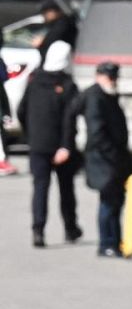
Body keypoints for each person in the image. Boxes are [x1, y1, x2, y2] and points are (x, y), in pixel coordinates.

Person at [17, 42, 81, 247]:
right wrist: (66, 146)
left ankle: (38, 230)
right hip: (60, 146)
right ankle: (70, 228)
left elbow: (21, 110)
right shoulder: (68, 85)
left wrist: (31, 136)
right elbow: (69, 120)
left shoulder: (34, 81)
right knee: (66, 190)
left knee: (40, 188)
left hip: (38, 145)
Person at [77, 61, 131, 257]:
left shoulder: (107, 95)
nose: (114, 81)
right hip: (104, 160)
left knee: (115, 202)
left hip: (112, 159)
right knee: (108, 203)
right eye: (111, 77)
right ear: (99, 76)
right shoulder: (96, 97)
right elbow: (97, 132)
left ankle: (114, 241)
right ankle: (107, 243)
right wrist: (112, 154)